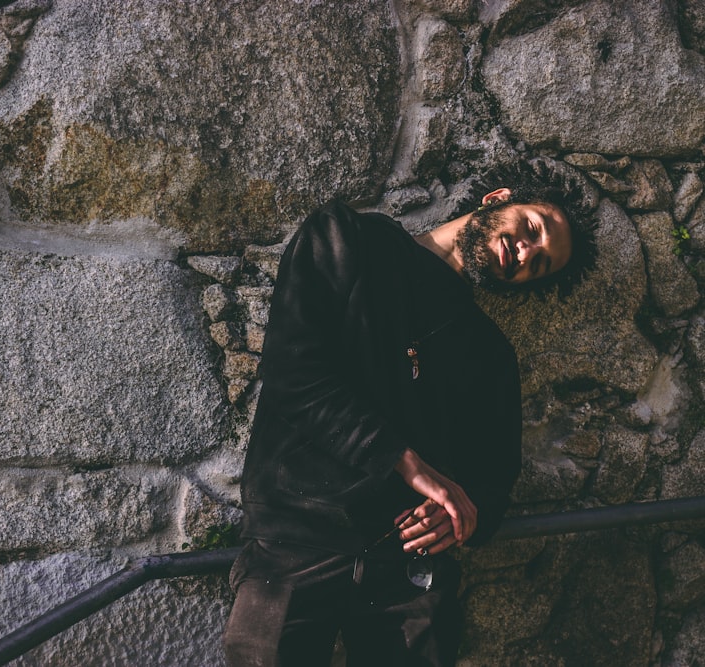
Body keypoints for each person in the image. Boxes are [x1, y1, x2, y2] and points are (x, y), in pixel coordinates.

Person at [223, 160, 598, 667]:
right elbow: (294, 375)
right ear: (498, 199)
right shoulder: (343, 238)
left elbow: (493, 479)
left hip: (407, 573)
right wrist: (407, 463)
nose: (527, 252)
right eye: (533, 228)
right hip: (292, 544)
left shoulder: (490, 355)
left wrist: (464, 517)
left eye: (540, 264)